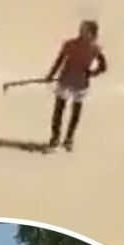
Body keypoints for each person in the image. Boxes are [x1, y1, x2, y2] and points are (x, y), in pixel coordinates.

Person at [44, 20, 107, 151]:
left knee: (72, 112)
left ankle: (67, 139)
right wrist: (51, 74)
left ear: (90, 33)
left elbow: (103, 66)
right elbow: (60, 60)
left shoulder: (93, 48)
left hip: (77, 83)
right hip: (69, 81)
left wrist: (91, 73)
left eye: (83, 29)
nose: (80, 31)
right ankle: (57, 138)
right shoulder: (73, 45)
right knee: (60, 110)